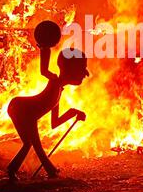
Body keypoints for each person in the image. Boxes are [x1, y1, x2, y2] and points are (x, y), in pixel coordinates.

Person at [7, 46, 89, 182]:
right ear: (71, 69)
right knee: (34, 145)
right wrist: (45, 46)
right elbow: (44, 70)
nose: (85, 74)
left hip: (25, 111)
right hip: (22, 109)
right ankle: (50, 171)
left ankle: (12, 170)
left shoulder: (59, 90)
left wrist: (74, 113)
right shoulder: (54, 82)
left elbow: (54, 122)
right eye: (82, 69)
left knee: (28, 144)